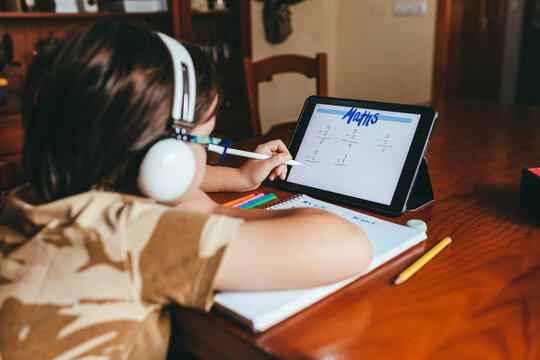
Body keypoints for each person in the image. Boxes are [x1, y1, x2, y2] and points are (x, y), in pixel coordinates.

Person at [0, 20, 372, 359]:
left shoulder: (27, 198)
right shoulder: (132, 232)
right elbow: (348, 245)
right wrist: (210, 211)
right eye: (204, 140)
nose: (207, 150)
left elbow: (157, 173)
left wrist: (240, 178)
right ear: (166, 156)